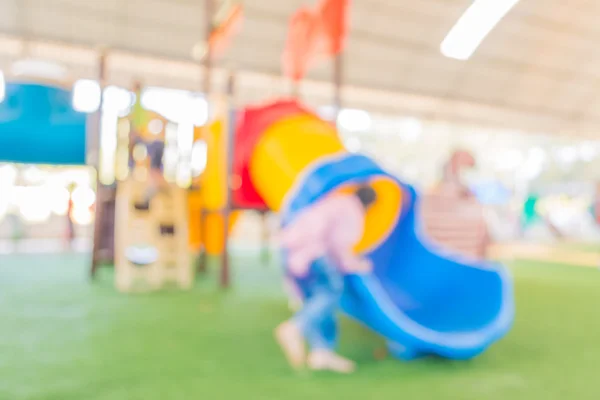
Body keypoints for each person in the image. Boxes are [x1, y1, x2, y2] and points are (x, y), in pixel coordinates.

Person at [275, 185, 377, 373]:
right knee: (331, 292)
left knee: (317, 301)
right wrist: (355, 264)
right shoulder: (351, 211)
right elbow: (339, 244)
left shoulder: (332, 203)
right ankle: (296, 327)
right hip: (313, 253)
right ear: (369, 204)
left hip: (291, 252)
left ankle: (321, 353)